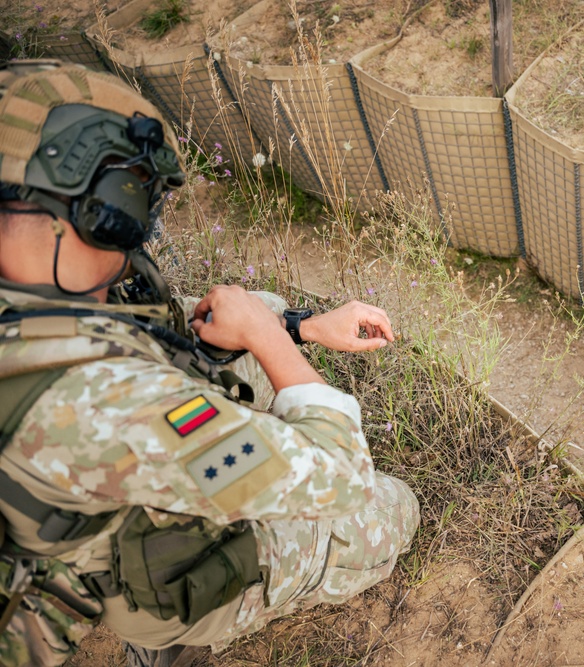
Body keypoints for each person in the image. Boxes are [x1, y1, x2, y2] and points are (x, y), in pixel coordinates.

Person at [0, 59, 419, 666]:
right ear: (104, 208)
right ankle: (166, 641)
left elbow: (170, 344)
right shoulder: (97, 402)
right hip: (149, 576)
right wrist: (269, 340)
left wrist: (295, 326)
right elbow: (340, 474)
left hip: (85, 505)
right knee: (385, 507)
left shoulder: (41, 295)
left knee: (252, 321)